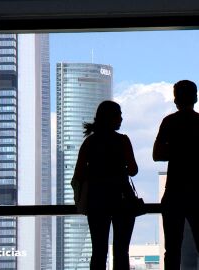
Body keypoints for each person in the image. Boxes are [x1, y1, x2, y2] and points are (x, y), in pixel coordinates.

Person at [153, 80, 199, 270]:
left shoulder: (169, 122)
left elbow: (157, 154)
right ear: (195, 98)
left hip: (174, 191)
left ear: (175, 99)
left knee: (172, 249)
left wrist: (176, 150)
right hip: (198, 191)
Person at [73, 100, 138, 270]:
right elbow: (133, 170)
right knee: (122, 251)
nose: (121, 118)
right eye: (119, 115)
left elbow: (78, 175)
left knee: (99, 251)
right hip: (122, 200)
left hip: (96, 202)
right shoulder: (122, 141)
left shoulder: (89, 143)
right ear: (111, 118)